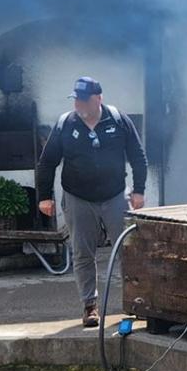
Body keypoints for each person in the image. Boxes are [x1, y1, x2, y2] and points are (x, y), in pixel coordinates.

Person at [36, 77, 148, 328]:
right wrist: (44, 196)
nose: (78, 103)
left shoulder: (118, 120)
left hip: (116, 195)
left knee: (129, 250)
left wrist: (139, 190)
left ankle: (137, 302)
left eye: (83, 99)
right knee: (83, 254)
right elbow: (47, 162)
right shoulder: (66, 123)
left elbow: (138, 156)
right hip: (78, 197)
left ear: (98, 98)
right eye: (75, 99)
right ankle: (90, 306)